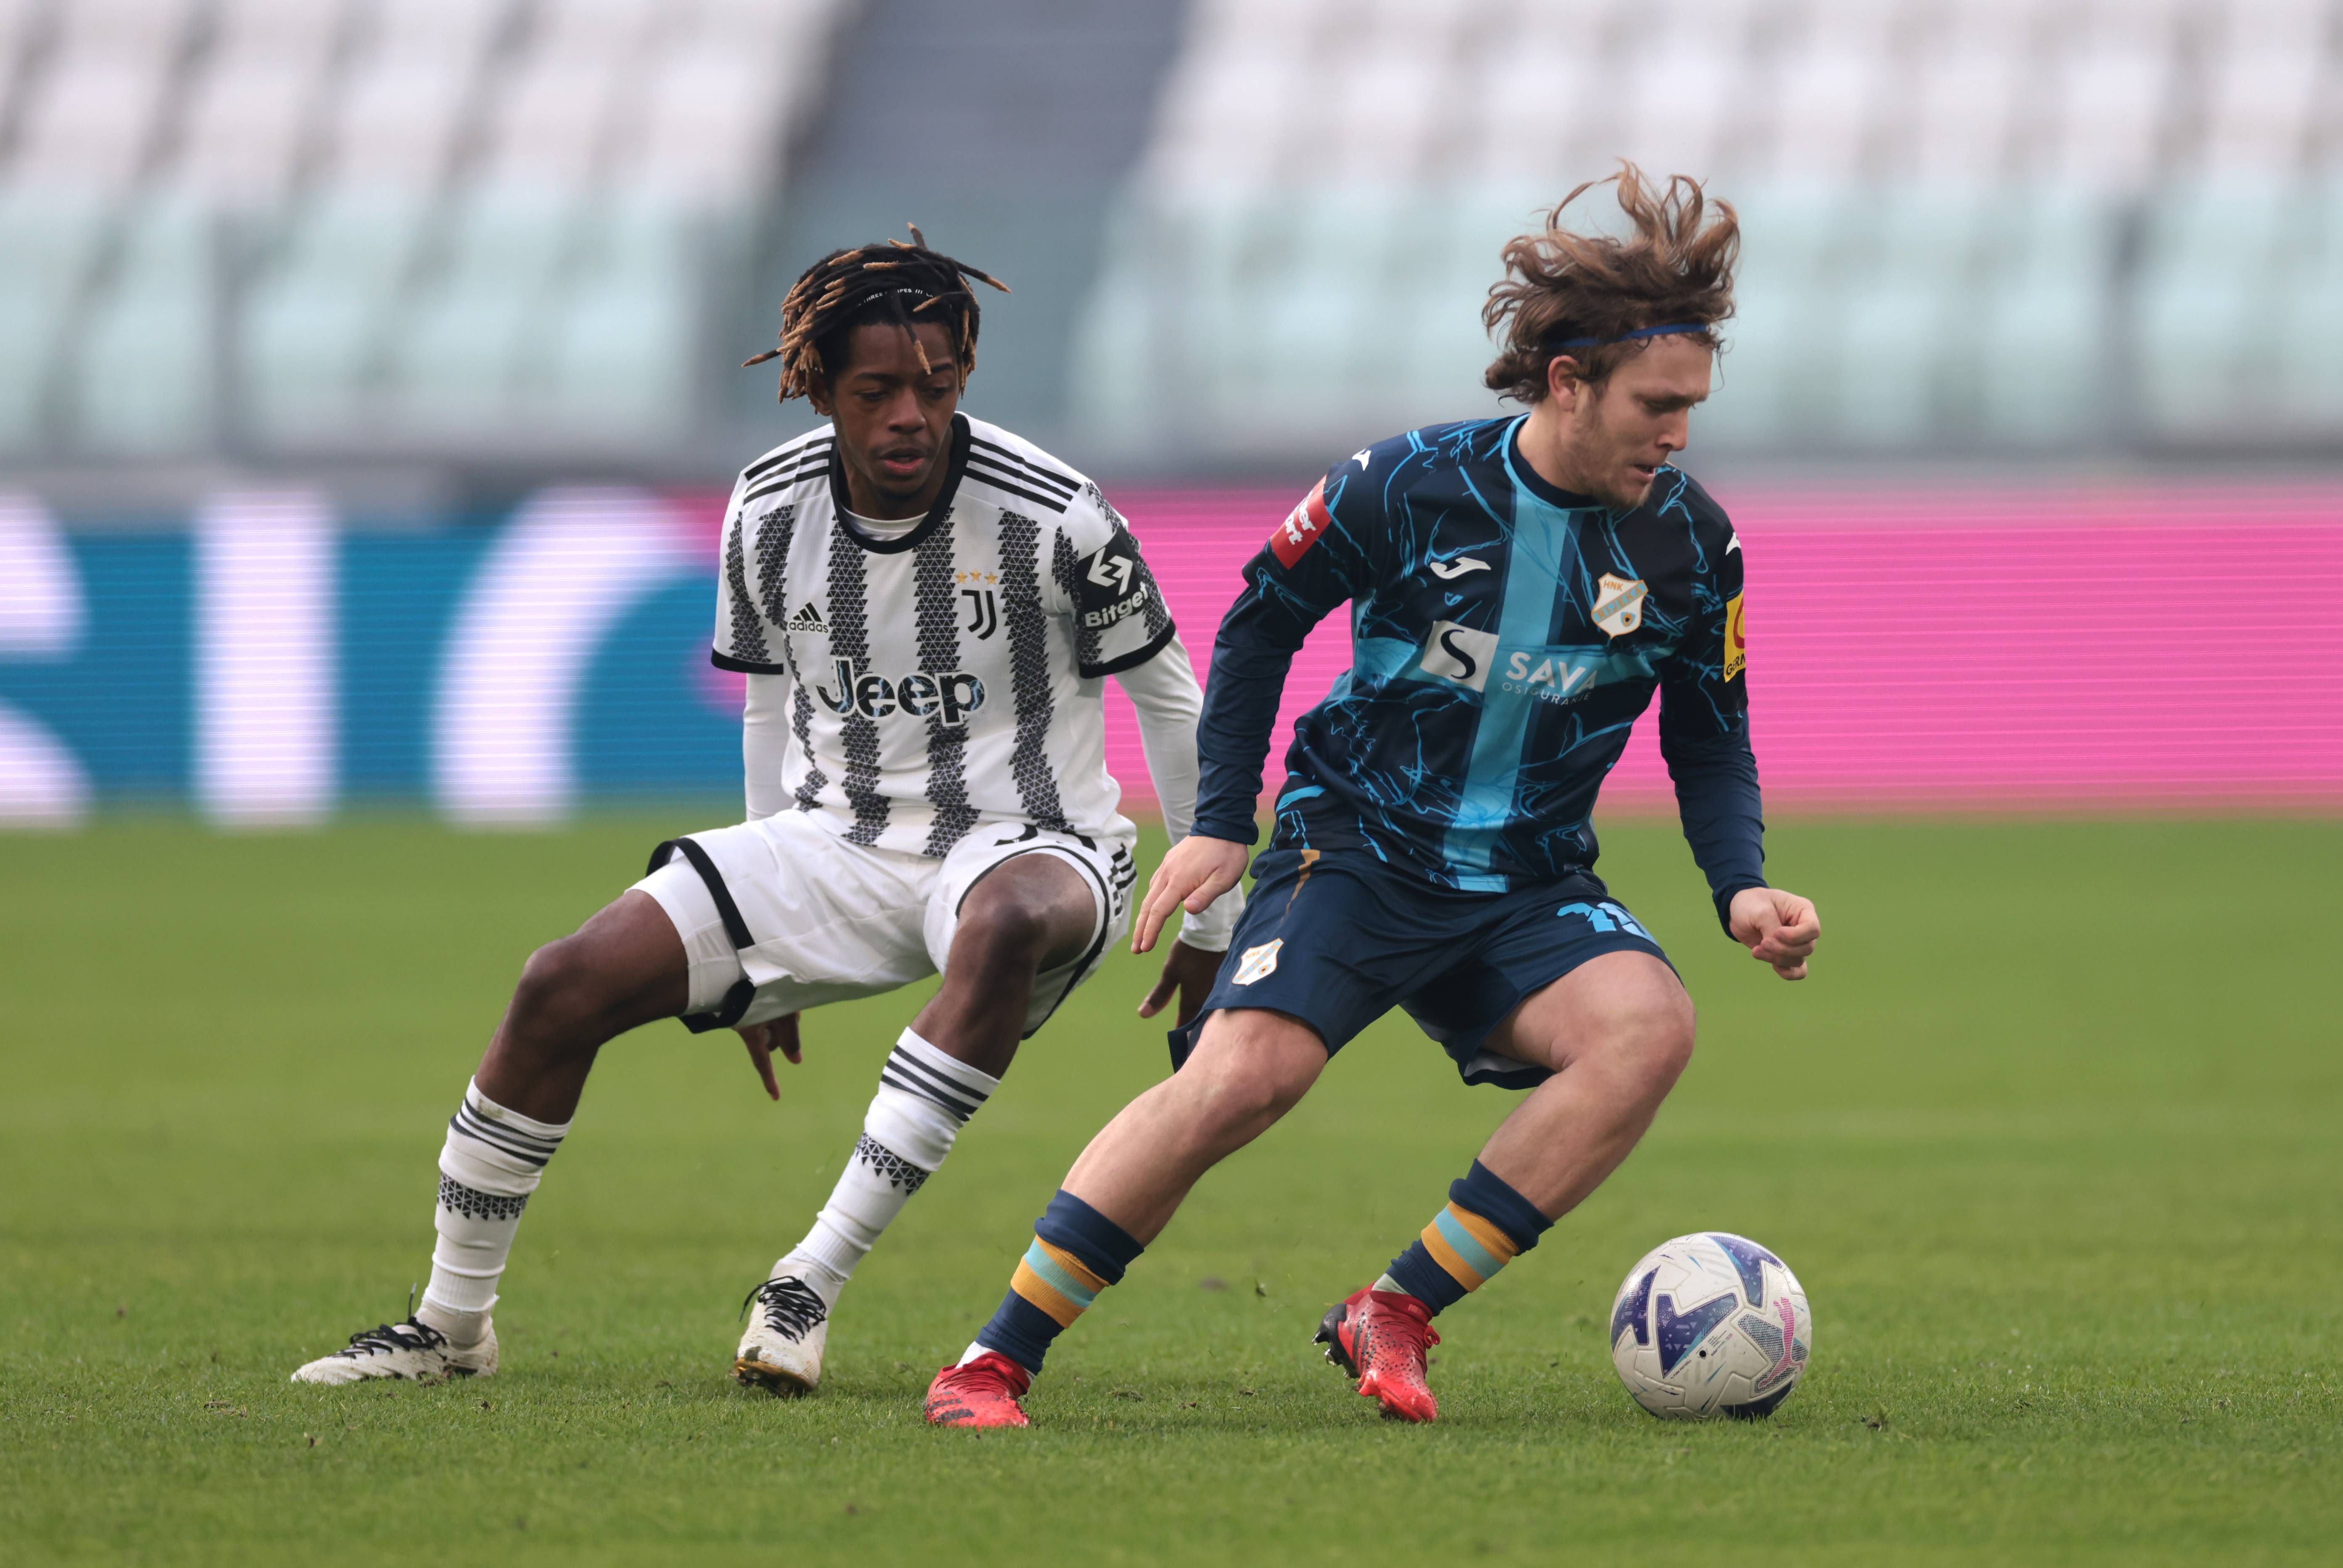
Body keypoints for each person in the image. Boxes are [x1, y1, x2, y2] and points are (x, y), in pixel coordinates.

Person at [922, 168, 1820, 1429]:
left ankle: (1392, 1308)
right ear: (1569, 383)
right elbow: (1257, 621)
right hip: (1360, 849)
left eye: (1693, 409)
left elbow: (1711, 735)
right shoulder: (1404, 486)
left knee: (1648, 1027)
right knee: (1245, 1080)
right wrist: (1225, 822)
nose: (1678, 435)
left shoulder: (1692, 541)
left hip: (1529, 883)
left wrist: (1742, 887)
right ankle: (992, 1359)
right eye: (1657, 406)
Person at [292, 230, 1241, 1391]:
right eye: (875, 391)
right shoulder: (768, 508)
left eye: (935, 387)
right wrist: (744, 933)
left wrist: (1209, 918)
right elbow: (767, 700)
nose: (910, 415)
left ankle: (808, 1279)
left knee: (996, 927)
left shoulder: (1055, 513)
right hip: (834, 837)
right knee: (559, 984)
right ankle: (450, 1325)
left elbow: (1168, 690)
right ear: (820, 392)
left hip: (1030, 844)